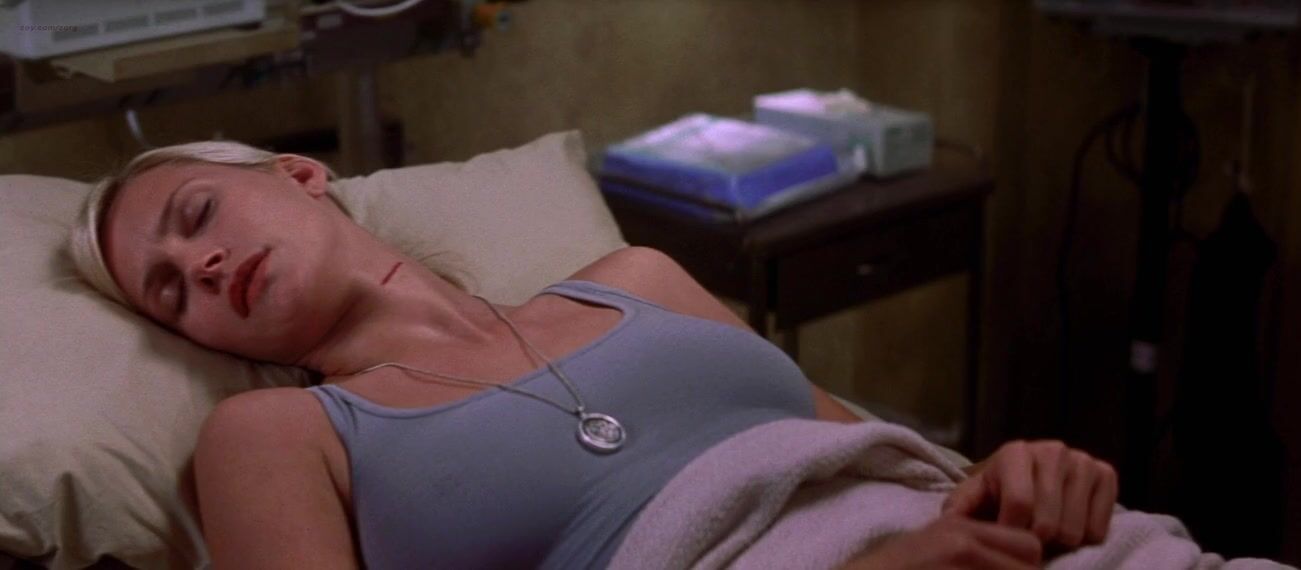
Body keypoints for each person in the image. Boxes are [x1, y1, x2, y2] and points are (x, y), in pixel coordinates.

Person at [69, 140, 1117, 569]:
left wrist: (1018, 478)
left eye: (195, 216)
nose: (199, 264)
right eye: (170, 290)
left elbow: (883, 462)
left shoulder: (640, 279)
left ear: (298, 174)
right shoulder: (274, 437)